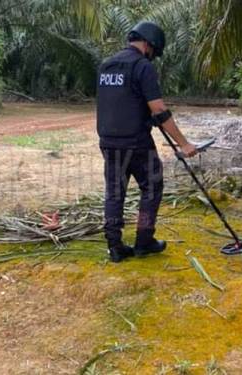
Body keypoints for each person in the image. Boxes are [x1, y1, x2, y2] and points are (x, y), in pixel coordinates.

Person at [96, 21, 198, 263]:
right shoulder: (142, 67)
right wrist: (184, 144)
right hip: (137, 142)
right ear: (149, 44)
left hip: (108, 141)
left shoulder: (106, 66)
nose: (153, 56)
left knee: (114, 193)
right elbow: (160, 111)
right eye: (154, 51)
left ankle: (115, 247)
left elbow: (119, 102)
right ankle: (144, 241)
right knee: (152, 188)